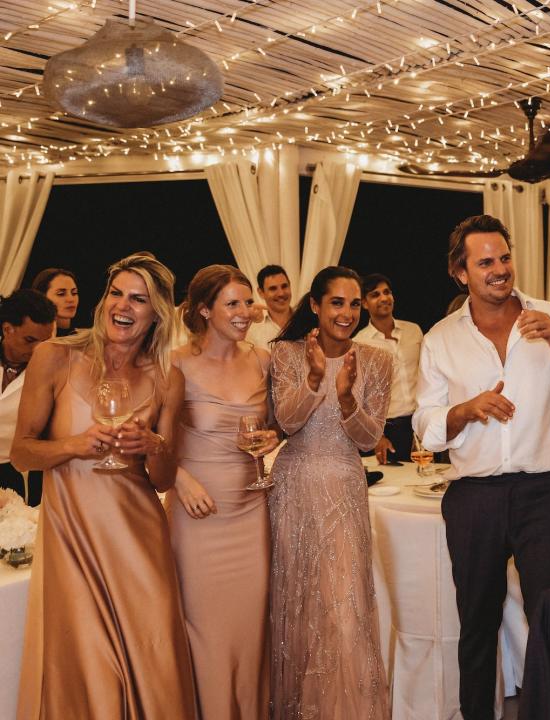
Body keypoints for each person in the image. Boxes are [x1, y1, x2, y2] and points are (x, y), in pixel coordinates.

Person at [414, 214, 550, 720]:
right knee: (475, 622)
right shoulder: (440, 339)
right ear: (461, 273)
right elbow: (425, 424)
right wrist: (464, 410)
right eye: (485, 262)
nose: (500, 269)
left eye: (504, 258)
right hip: (474, 497)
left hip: (546, 493)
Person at [12, 253, 196, 719]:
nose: (124, 305)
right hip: (72, 536)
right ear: (103, 300)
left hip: (139, 540)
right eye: (117, 292)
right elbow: (22, 453)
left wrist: (153, 442)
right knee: (90, 662)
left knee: (152, 656)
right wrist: (75, 444)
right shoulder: (54, 357)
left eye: (140, 298)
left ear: (158, 313)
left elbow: (163, 478)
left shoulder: (167, 378)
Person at [268, 265, 392, 719]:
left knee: (343, 608)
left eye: (354, 304)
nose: (347, 313)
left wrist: (345, 401)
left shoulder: (378, 360)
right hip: (293, 485)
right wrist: (314, 379)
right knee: (297, 604)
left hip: (344, 484)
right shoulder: (285, 353)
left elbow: (366, 439)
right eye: (336, 303)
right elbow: (286, 421)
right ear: (316, 306)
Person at [167, 265, 279, 719]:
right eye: (232, 303)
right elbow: (151, 437)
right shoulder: (175, 362)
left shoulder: (263, 360)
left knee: (248, 628)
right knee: (205, 629)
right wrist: (179, 477)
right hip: (198, 513)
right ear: (204, 310)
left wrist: (273, 437)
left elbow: (273, 425)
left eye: (247, 302)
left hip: (252, 509)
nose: (245, 312)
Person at [355, 273, 423, 463]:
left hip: (420, 426)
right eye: (375, 295)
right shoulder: (359, 343)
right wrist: (377, 437)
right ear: (364, 303)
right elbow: (358, 398)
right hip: (388, 431)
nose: (384, 298)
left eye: (387, 292)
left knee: (425, 482)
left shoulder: (414, 330)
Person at [0, 290, 56, 506]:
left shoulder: (52, 372)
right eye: (30, 340)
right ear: (7, 329)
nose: (38, 350)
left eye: (44, 341)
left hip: (14, 472)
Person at [247, 264, 293, 348]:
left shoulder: (306, 320)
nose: (281, 293)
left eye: (284, 286)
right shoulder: (252, 331)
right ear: (261, 292)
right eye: (273, 288)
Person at [31, 267, 79, 336]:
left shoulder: (85, 337)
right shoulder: (31, 336)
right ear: (42, 297)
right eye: (61, 294)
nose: (71, 299)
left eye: (74, 293)